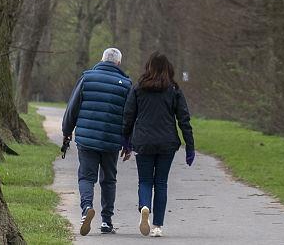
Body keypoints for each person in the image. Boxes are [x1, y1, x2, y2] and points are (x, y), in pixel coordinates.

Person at [122, 51, 195, 238]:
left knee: (145, 181)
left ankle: (145, 206)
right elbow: (184, 119)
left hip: (144, 142)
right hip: (167, 142)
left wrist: (126, 141)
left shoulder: (138, 88)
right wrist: (190, 146)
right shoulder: (174, 90)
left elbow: (128, 116)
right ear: (168, 69)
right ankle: (157, 226)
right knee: (161, 183)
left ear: (149, 67)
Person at [63, 47, 132, 235]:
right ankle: (106, 222)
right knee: (108, 180)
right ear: (118, 63)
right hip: (111, 140)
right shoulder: (126, 84)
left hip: (86, 138)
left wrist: (66, 131)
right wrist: (128, 144)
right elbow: (129, 117)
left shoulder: (87, 78)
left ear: (101, 60)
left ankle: (86, 209)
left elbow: (72, 108)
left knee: (86, 176)